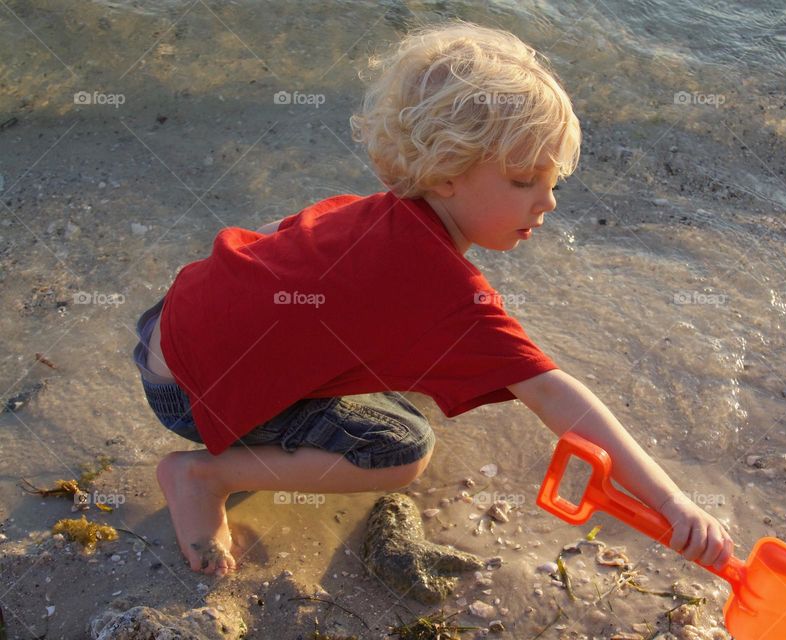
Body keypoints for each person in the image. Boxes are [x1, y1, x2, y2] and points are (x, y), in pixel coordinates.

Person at [131, 20, 734, 578]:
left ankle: (248, 437)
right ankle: (203, 477)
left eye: (552, 184)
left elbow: (279, 260)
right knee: (403, 449)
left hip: (167, 327)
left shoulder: (372, 214)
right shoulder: (442, 290)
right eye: (524, 181)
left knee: (373, 376)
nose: (545, 203)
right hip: (188, 394)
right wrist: (672, 503)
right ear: (447, 172)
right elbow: (554, 394)